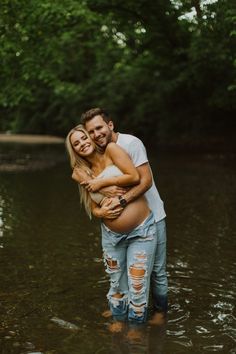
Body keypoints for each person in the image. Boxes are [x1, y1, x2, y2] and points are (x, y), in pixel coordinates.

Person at [74, 108, 168, 321]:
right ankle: (121, 306)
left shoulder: (130, 144)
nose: (96, 134)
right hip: (116, 231)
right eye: (91, 131)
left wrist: (120, 199)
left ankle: (161, 312)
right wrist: (101, 207)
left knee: (157, 272)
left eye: (99, 128)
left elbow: (144, 181)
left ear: (110, 125)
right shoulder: (95, 155)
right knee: (120, 275)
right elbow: (89, 194)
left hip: (153, 215)